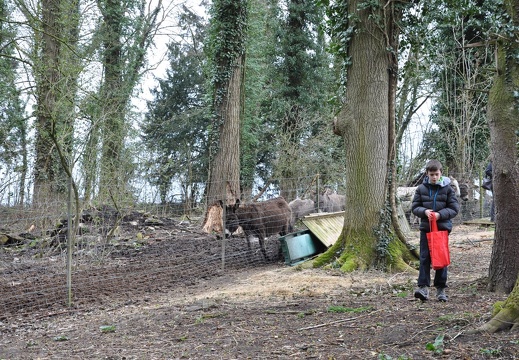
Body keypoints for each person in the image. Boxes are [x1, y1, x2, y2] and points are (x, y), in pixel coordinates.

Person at [411, 159, 460, 302]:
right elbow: (415, 207)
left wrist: (439, 215)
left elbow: (454, 209)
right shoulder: (421, 189)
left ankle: (441, 289)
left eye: (436, 174)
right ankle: (423, 288)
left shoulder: (448, 189)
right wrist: (424, 211)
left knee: (441, 258)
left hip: (442, 229)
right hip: (426, 229)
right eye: (431, 174)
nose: (434, 177)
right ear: (427, 174)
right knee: (424, 258)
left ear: (441, 173)